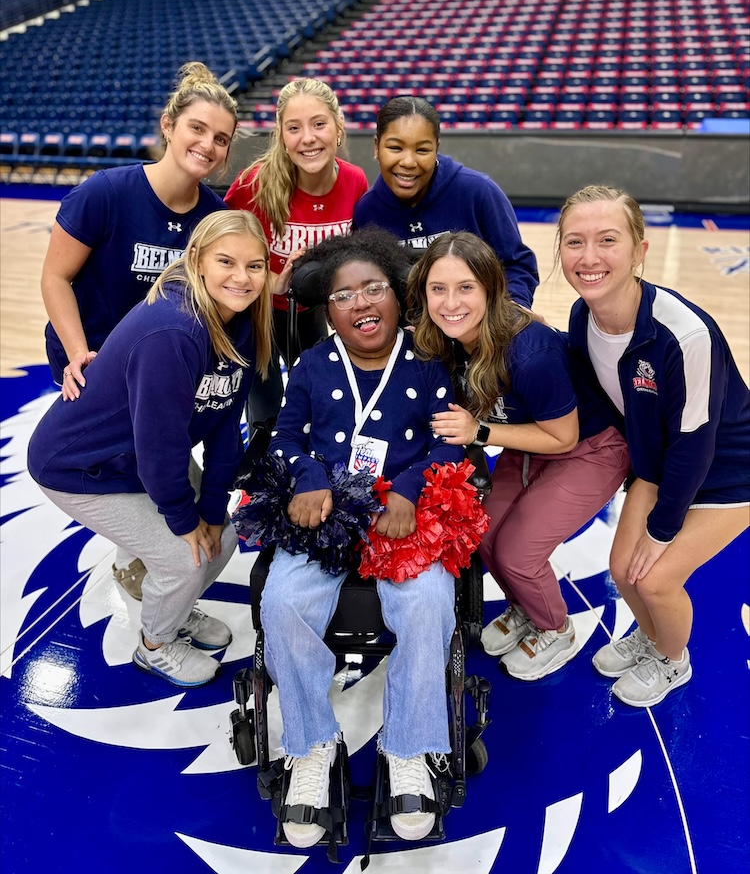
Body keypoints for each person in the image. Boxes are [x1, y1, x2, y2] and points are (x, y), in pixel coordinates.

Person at [257, 228, 463, 849]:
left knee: (428, 603)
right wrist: (309, 479)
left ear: (399, 294)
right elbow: (286, 438)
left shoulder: (429, 361)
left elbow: (448, 440)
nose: (361, 303)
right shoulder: (314, 364)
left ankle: (408, 748)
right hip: (328, 511)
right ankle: (312, 745)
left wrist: (407, 487)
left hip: (405, 513)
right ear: (328, 309)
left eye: (374, 287)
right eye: (344, 295)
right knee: (281, 602)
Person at [28, 211, 273, 689]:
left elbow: (225, 424)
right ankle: (155, 646)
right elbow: (159, 450)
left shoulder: (240, 320)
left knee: (220, 537)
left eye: (256, 265)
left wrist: (212, 507)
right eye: (227, 261)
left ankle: (176, 612)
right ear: (198, 260)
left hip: (139, 453)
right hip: (80, 466)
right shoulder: (173, 332)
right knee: (184, 555)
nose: (242, 278)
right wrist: (184, 521)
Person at [40, 61, 237, 598]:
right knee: (114, 455)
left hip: (161, 363)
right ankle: (138, 558)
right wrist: (81, 353)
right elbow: (55, 277)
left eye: (221, 139)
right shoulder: (105, 192)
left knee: (155, 448)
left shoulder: (212, 218)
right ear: (169, 124)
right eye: (197, 128)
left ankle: (146, 557)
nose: (208, 145)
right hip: (94, 358)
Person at [558, 185, 750, 707]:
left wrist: (663, 531)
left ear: (640, 250)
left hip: (728, 471)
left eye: (607, 240)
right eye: (574, 242)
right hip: (661, 464)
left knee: (658, 578)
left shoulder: (685, 335)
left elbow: (696, 443)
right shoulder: (582, 318)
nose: (589, 257)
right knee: (624, 571)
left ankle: (673, 660)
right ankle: (651, 636)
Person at [408, 232, 630, 681]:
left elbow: (563, 438)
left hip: (587, 448)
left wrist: (481, 430)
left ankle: (556, 628)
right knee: (484, 535)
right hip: (528, 441)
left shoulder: (531, 352)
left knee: (517, 553)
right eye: (438, 289)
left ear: (490, 289)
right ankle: (526, 607)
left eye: (466, 287)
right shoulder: (444, 337)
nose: (451, 302)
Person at [224, 77, 368, 428]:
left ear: (339, 127)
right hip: (258, 312)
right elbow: (220, 249)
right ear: (281, 136)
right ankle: (260, 472)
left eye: (319, 124)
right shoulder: (253, 184)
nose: (307, 138)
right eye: (294, 128)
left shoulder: (355, 182)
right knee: (266, 409)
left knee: (321, 402)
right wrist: (267, 280)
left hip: (313, 311)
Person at [352, 96, 539, 309]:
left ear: (436, 148)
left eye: (422, 150)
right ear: (377, 146)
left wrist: (513, 311)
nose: (408, 162)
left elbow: (516, 264)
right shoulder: (366, 212)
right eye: (395, 148)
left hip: (477, 331)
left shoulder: (478, 191)